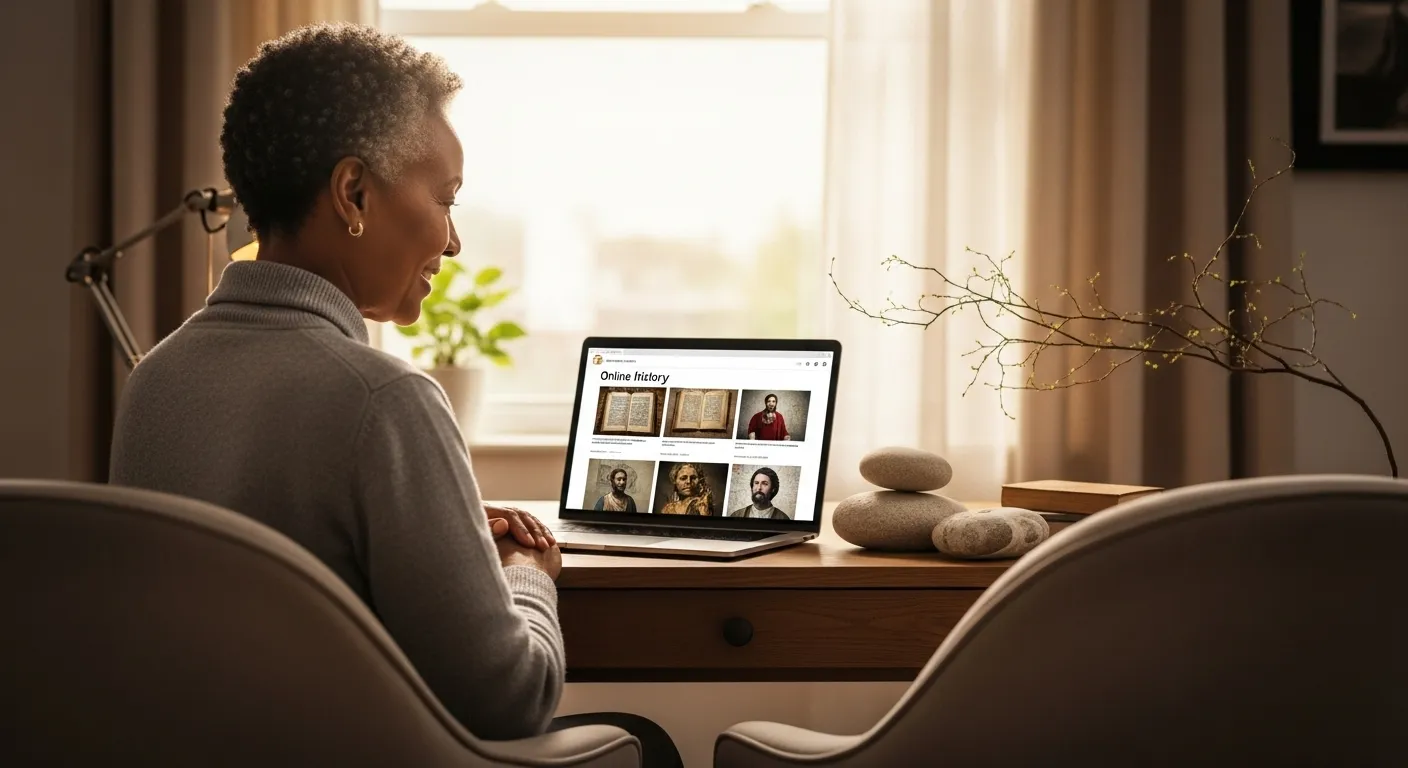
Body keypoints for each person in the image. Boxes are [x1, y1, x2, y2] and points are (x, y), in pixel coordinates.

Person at [107, 23, 679, 767]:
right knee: (650, 745)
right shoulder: (385, 399)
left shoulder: (155, 380)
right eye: (448, 200)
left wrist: (425, 523)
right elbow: (507, 702)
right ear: (353, 194)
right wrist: (530, 574)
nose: (453, 241)